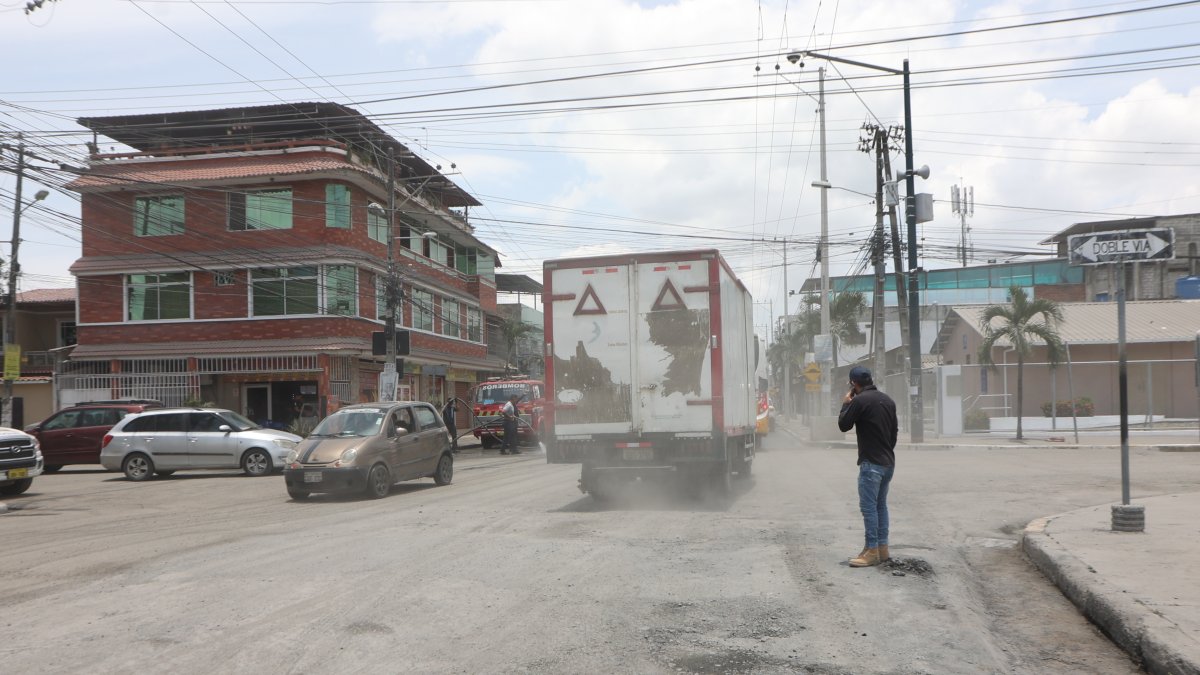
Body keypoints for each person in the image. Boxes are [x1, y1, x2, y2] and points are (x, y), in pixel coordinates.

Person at [837, 366, 898, 568]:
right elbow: (894, 434)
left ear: (854, 384)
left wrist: (845, 404)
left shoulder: (859, 401)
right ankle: (882, 549)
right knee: (881, 505)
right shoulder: (888, 400)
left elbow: (844, 425)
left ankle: (871, 551)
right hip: (888, 462)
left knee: (869, 508)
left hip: (871, 463)